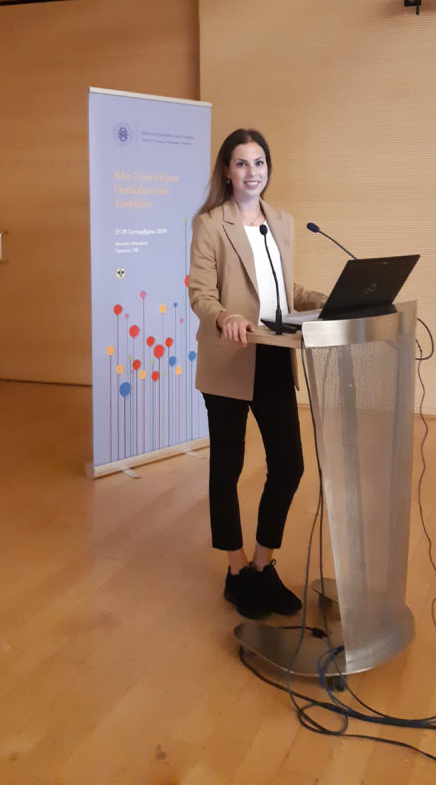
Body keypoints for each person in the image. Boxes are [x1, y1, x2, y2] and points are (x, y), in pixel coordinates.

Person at [188, 128, 326, 619]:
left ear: (269, 168)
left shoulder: (281, 221)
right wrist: (225, 316)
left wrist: (329, 300)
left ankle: (263, 565)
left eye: (259, 163)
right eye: (242, 163)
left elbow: (285, 290)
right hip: (230, 354)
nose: (252, 172)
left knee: (289, 464)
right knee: (227, 468)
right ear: (227, 171)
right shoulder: (210, 224)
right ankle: (236, 570)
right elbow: (201, 293)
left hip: (272, 354)